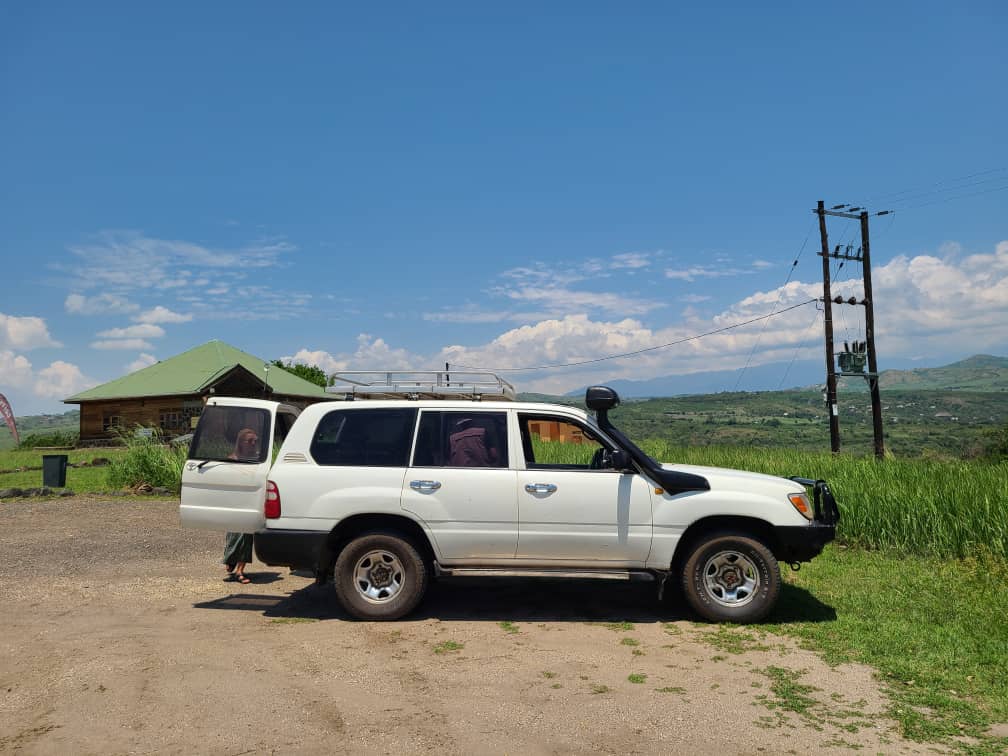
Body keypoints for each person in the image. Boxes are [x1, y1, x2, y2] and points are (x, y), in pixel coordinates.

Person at [222, 428, 259, 584]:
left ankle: (240, 570)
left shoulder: (258, 460)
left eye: (255, 441)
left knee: (247, 536)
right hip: (234, 502)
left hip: (250, 502)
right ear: (241, 442)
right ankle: (231, 559)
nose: (252, 444)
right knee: (234, 534)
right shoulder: (231, 459)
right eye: (249, 441)